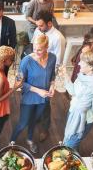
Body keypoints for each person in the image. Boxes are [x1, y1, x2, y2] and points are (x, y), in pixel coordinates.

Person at [10, 34, 56, 153]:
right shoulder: (26, 60)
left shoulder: (52, 58)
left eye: (39, 49)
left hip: (44, 99)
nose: (36, 51)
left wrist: (52, 85)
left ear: (47, 47)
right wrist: (38, 91)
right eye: (34, 48)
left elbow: (52, 75)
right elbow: (19, 83)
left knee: (34, 120)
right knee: (23, 122)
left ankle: (30, 139)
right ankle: (12, 140)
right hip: (29, 98)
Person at [30, 11, 65, 142]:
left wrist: (52, 82)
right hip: (35, 72)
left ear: (50, 23)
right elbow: (33, 48)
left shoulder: (58, 38)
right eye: (37, 25)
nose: (38, 28)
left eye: (41, 25)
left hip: (47, 74)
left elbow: (58, 62)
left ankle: (45, 128)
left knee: (45, 103)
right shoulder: (38, 31)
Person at [61, 51, 93, 151]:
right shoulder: (84, 76)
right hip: (74, 112)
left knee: (68, 145)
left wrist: (67, 140)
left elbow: (80, 108)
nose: (79, 63)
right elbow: (73, 91)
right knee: (71, 143)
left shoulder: (92, 85)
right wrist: (65, 75)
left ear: (91, 67)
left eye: (82, 62)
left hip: (82, 119)